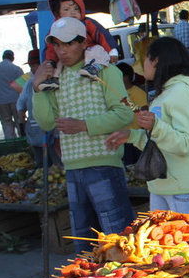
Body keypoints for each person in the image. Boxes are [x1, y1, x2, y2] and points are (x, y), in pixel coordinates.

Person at [32, 17, 135, 253]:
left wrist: (83, 125)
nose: (62, 50)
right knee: (84, 242)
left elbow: (124, 114)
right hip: (73, 169)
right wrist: (37, 88)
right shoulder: (55, 77)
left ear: (83, 43)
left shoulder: (105, 71)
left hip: (104, 166)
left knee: (117, 238)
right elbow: (46, 122)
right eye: (57, 45)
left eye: (68, 44)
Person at [105, 37, 189, 214]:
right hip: (160, 187)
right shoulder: (164, 95)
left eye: (145, 59)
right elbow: (158, 141)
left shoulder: (182, 92)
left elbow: (186, 144)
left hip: (183, 188)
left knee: (187, 242)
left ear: (155, 61)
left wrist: (156, 126)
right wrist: (130, 136)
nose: (142, 65)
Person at [38, 0, 119, 91]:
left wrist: (112, 50)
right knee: (59, 63)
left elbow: (102, 35)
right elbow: (50, 48)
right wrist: (49, 62)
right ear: (58, 14)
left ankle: (94, 68)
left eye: (76, 9)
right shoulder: (56, 28)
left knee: (97, 50)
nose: (73, 13)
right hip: (68, 63)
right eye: (66, 10)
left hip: (90, 50)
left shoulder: (87, 23)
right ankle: (53, 79)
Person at [16, 50, 62, 166]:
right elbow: (21, 104)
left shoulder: (56, 80)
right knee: (41, 166)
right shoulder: (30, 83)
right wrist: (21, 120)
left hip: (54, 134)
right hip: (35, 133)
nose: (32, 69)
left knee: (58, 166)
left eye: (34, 65)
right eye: (31, 66)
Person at [116, 62, 148, 165]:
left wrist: (128, 103)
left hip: (137, 138)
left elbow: (144, 113)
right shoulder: (114, 93)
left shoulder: (138, 92)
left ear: (126, 77)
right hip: (123, 139)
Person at [0, 50, 23, 139]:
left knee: (6, 122)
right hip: (15, 99)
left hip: (1, 101)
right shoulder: (16, 69)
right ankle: (22, 142)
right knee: (19, 121)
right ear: (12, 57)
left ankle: (10, 142)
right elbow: (23, 85)